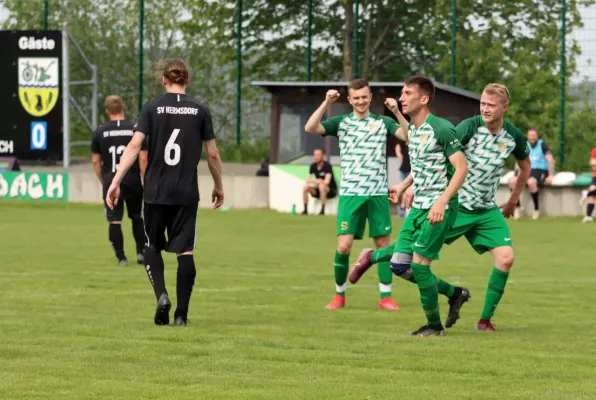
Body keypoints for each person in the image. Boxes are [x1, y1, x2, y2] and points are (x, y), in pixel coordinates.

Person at [350, 83, 532, 333]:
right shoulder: (468, 127)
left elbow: (525, 168)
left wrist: (512, 200)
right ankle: (374, 256)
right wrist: (408, 184)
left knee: (506, 258)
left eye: (491, 105)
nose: (485, 109)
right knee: (411, 259)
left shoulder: (513, 137)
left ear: (504, 107)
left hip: (486, 209)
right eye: (482, 103)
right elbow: (437, 156)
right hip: (454, 205)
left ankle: (484, 321)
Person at [106, 59, 224, 327]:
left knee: (152, 246)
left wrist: (115, 181)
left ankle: (162, 296)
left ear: (164, 80)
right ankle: (181, 315)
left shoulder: (152, 106)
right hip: (185, 192)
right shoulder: (201, 110)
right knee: (185, 252)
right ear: (188, 80)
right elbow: (213, 153)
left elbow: (135, 146)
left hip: (156, 191)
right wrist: (218, 185)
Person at [348, 76, 469, 336]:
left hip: (440, 208)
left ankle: (434, 327)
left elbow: (462, 168)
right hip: (418, 206)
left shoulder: (442, 128)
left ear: (423, 99)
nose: (401, 97)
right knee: (400, 265)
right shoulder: (414, 129)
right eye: (401, 93)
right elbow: (423, 165)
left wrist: (442, 200)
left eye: (407, 93)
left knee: (419, 265)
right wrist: (404, 186)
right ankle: (455, 293)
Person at [303, 78, 399, 310]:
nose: (361, 101)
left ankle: (385, 297)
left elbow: (407, 135)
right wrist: (326, 102)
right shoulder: (341, 123)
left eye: (364, 97)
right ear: (349, 100)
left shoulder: (383, 122)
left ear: (370, 97)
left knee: (383, 244)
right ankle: (339, 296)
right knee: (344, 246)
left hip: (377, 194)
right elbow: (310, 127)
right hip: (351, 194)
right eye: (356, 98)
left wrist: (396, 112)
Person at [91, 95, 148, 266]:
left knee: (115, 219)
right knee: (137, 216)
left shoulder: (100, 132)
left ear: (107, 111)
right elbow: (143, 158)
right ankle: (141, 254)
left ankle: (121, 258)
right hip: (133, 179)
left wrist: (104, 180)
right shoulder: (135, 129)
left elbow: (95, 161)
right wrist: (144, 179)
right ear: (123, 108)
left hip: (111, 179)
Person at [508, 128, 555, 219]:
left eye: (534, 135)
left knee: (531, 182)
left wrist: (551, 175)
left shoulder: (542, 145)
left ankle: (536, 209)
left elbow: (550, 159)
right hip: (526, 170)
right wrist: (515, 174)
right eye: (530, 135)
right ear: (527, 136)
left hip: (540, 170)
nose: (532, 137)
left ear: (537, 136)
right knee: (512, 182)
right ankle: (518, 207)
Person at [302, 148, 337, 215]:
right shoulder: (313, 166)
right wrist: (316, 181)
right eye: (315, 155)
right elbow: (307, 180)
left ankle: (322, 210)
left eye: (318, 155)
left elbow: (327, 182)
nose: (316, 157)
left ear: (322, 156)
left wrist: (319, 182)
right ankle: (305, 210)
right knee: (305, 187)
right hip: (317, 189)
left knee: (322, 186)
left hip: (330, 191)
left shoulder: (327, 166)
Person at [395, 138, 410, 217]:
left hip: (412, 170)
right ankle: (403, 210)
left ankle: (406, 210)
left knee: (408, 191)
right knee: (402, 190)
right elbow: (397, 147)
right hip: (403, 169)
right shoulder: (405, 136)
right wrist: (399, 155)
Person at [581, 146, 596, 223]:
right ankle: (588, 216)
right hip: (595, 176)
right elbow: (593, 163)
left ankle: (586, 193)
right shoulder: (595, 150)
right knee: (592, 196)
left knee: (592, 192)